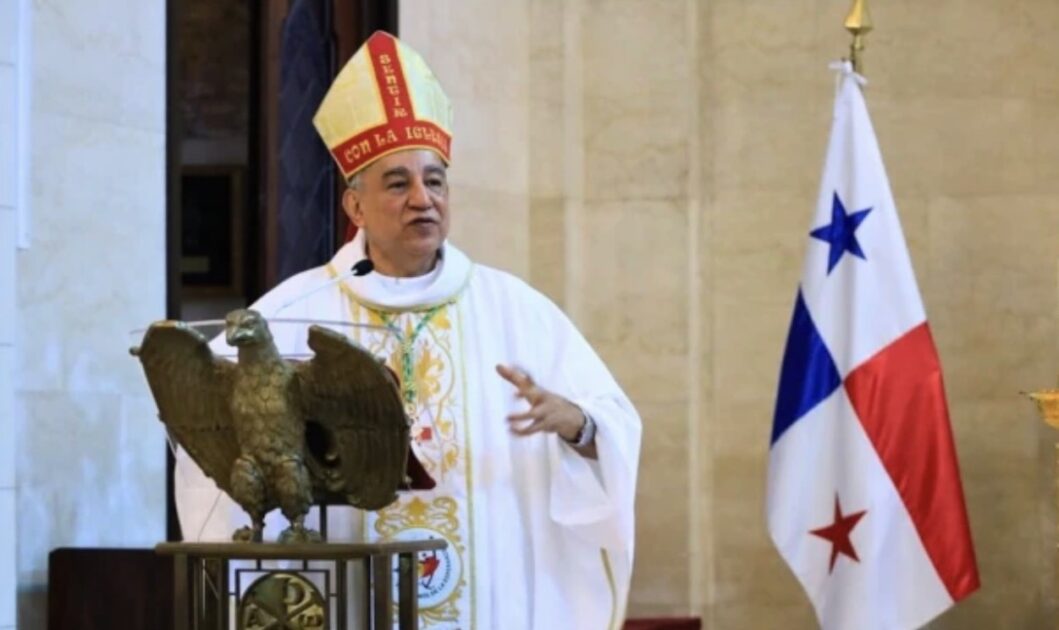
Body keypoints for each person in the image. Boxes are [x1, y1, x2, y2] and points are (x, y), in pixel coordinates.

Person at [175, 31, 642, 630]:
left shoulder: (517, 311)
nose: (423, 199)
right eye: (398, 183)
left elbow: (614, 425)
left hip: (490, 604)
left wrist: (578, 425)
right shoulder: (291, 315)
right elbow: (206, 438)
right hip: (345, 605)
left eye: (435, 181)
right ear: (355, 207)